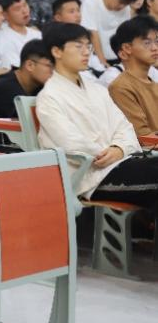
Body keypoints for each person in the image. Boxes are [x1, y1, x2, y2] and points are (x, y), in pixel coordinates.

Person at [36, 23, 155, 206]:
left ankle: (144, 225)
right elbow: (71, 144)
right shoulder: (48, 97)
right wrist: (110, 153)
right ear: (57, 51)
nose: (86, 52)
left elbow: (124, 127)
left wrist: (119, 148)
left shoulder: (97, 90)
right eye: (79, 46)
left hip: (121, 162)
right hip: (90, 178)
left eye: (88, 46)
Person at [0, 40, 54, 120]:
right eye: (50, 66)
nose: (54, 71)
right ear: (30, 65)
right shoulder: (6, 88)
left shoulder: (40, 86)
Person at [107, 17, 158, 137]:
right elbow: (143, 136)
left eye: (156, 41)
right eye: (147, 43)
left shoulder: (154, 84)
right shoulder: (120, 87)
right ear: (127, 48)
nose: (155, 48)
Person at [82, 0, 137, 68]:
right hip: (96, 58)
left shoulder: (126, 9)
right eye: (121, 2)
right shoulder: (90, 4)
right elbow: (93, 34)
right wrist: (102, 61)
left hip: (119, 57)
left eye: (126, 4)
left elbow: (124, 35)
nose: (122, 7)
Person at [0, 0, 42, 69]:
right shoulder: (2, 38)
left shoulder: (37, 34)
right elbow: (15, 68)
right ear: (5, 15)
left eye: (25, 5)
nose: (24, 11)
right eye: (17, 9)